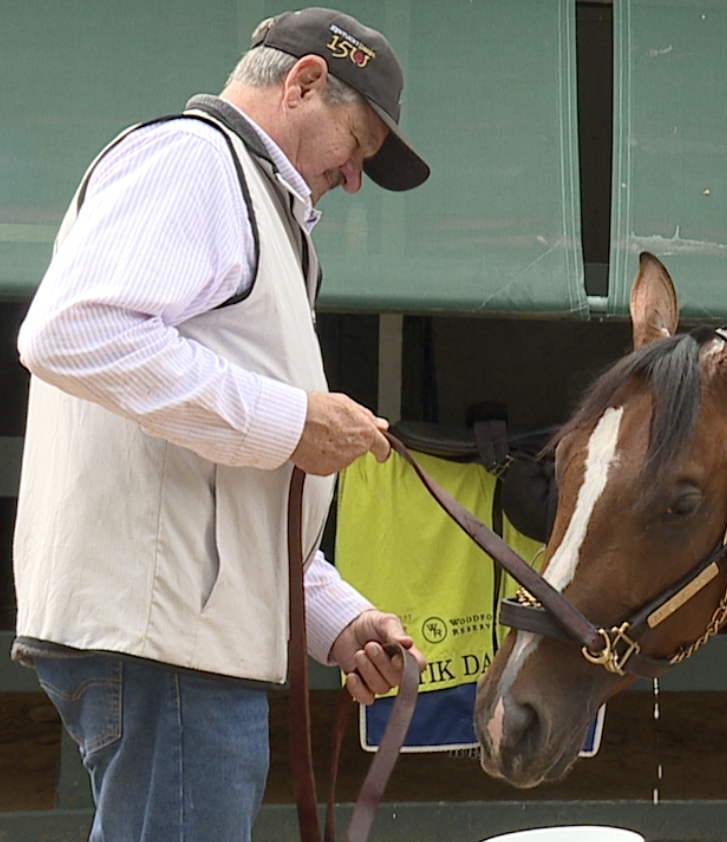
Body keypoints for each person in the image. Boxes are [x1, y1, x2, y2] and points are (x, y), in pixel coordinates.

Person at [11, 8, 430, 840]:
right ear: (305, 82)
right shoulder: (197, 159)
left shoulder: (243, 190)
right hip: (168, 647)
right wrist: (290, 420)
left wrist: (333, 618)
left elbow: (221, 487)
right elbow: (70, 331)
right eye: (357, 145)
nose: (353, 180)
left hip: (175, 638)